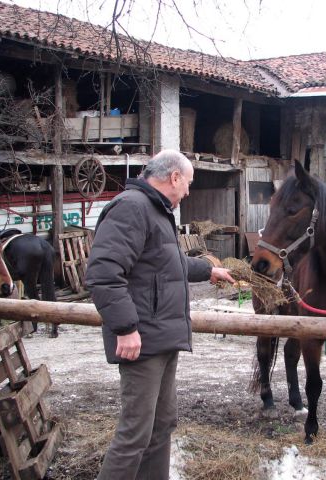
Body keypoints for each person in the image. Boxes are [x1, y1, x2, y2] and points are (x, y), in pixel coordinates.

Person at [86, 149, 235, 479]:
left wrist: (207, 271)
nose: (188, 191)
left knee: (161, 425)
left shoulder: (156, 211)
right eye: (189, 183)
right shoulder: (132, 208)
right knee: (135, 434)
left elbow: (169, 264)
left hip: (162, 338)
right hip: (142, 342)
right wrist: (125, 328)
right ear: (175, 177)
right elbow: (103, 273)